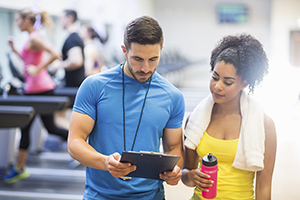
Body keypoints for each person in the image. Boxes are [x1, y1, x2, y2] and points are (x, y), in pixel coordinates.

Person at [68, 16, 185, 200]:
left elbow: (174, 147)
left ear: (161, 50)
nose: (145, 68)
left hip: (151, 196)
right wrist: (105, 162)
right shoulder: (94, 86)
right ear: (124, 51)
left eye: (153, 59)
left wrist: (174, 170)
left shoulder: (173, 96)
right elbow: (75, 143)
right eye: (137, 59)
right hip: (100, 195)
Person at [181, 34, 277, 199]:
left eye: (228, 82)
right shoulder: (195, 119)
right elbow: (187, 173)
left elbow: (264, 186)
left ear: (244, 84)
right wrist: (190, 177)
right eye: (214, 77)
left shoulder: (264, 125)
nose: (217, 87)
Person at [4, 8, 69, 183]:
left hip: (41, 89)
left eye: (18, 20)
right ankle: (19, 168)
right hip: (33, 89)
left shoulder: (34, 37)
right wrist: (15, 50)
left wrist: (38, 69)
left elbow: (56, 54)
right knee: (27, 127)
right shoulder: (32, 36)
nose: (17, 23)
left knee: (50, 128)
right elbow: (29, 61)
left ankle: (85, 143)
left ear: (26, 20)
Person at [55, 9, 85, 87]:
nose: (59, 21)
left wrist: (58, 65)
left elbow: (76, 61)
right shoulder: (74, 37)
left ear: (69, 19)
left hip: (74, 86)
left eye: (61, 18)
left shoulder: (73, 39)